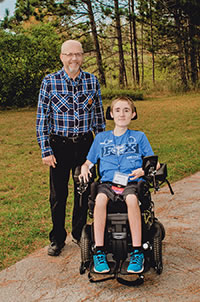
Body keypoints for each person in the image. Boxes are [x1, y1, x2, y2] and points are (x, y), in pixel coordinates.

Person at [36, 40, 105, 256]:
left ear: (83, 56)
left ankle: (79, 233)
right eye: (69, 54)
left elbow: (99, 120)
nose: (74, 59)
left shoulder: (92, 81)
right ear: (61, 57)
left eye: (77, 54)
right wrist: (45, 150)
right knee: (58, 196)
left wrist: (100, 148)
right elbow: (41, 119)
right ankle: (57, 238)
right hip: (59, 147)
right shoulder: (49, 82)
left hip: (85, 145)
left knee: (84, 192)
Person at [80, 96, 160, 273]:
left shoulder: (139, 137)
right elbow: (88, 162)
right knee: (99, 200)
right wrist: (85, 169)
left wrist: (143, 171)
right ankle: (99, 251)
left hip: (131, 182)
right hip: (107, 183)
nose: (121, 114)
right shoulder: (101, 138)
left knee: (131, 199)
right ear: (111, 114)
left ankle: (137, 251)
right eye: (117, 110)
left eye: (126, 110)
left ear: (133, 114)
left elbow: (154, 163)